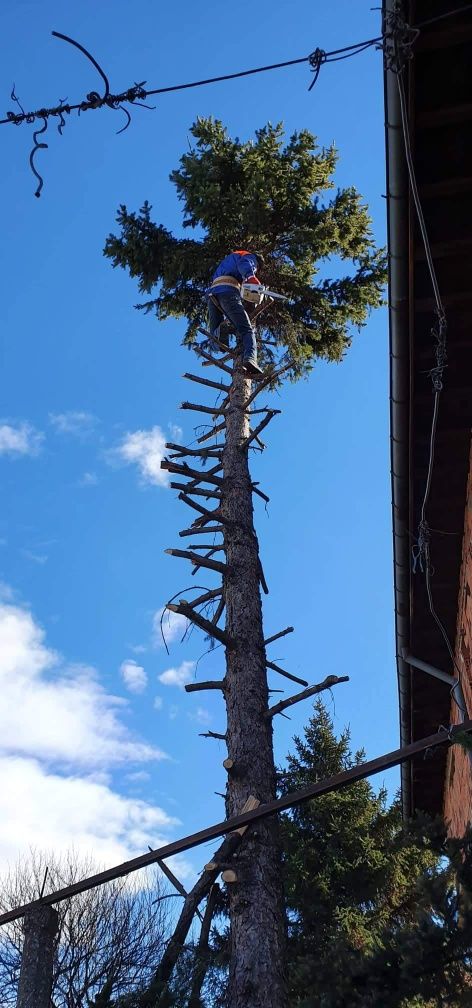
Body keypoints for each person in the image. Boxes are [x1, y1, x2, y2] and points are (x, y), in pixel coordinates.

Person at [206, 250, 265, 378]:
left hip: (212, 294)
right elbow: (245, 264)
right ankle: (250, 359)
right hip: (228, 292)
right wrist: (250, 276)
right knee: (247, 330)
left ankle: (221, 332)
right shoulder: (249, 257)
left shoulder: (229, 260)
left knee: (217, 337)